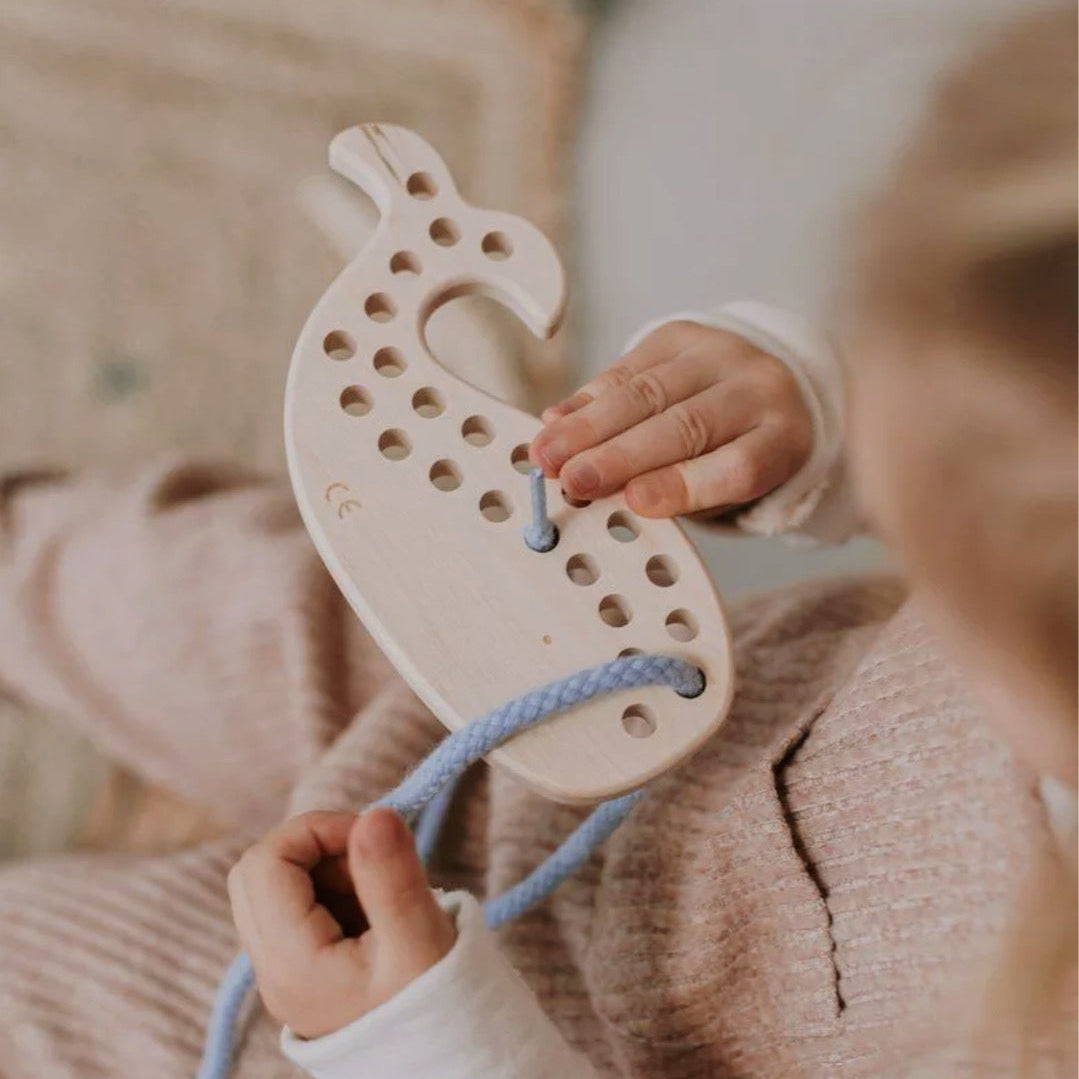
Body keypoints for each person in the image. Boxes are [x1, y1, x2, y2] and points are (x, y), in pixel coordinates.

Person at [0, 8, 1073, 1078]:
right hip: (595, 661)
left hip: (509, 1000)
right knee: (187, 583)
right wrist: (807, 409)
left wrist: (418, 1037)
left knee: (47, 978)